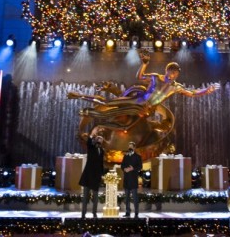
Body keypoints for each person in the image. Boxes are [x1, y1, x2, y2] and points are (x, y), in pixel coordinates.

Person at [69, 51, 219, 133]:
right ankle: (80, 96)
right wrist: (145, 64)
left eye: (175, 73)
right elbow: (140, 77)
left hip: (146, 110)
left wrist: (207, 90)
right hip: (138, 101)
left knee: (126, 127)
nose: (172, 75)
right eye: (171, 71)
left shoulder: (176, 87)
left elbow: (193, 93)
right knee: (108, 104)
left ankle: (104, 125)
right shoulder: (155, 77)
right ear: (166, 70)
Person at [79, 132, 107, 218]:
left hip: (96, 176)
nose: (100, 140)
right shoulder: (91, 147)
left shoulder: (102, 151)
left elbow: (101, 163)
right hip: (88, 175)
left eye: (101, 139)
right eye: (98, 139)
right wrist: (91, 137)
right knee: (86, 196)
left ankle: (94, 213)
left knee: (95, 197)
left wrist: (102, 174)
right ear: (95, 140)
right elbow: (88, 142)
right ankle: (83, 214)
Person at [121, 140, 142, 218]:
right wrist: (124, 169)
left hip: (133, 180)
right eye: (129, 147)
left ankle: (136, 213)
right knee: (127, 198)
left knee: (135, 198)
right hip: (126, 180)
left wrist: (133, 168)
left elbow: (140, 167)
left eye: (131, 147)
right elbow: (122, 165)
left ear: (134, 148)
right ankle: (127, 212)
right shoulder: (125, 156)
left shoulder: (138, 157)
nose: (129, 148)